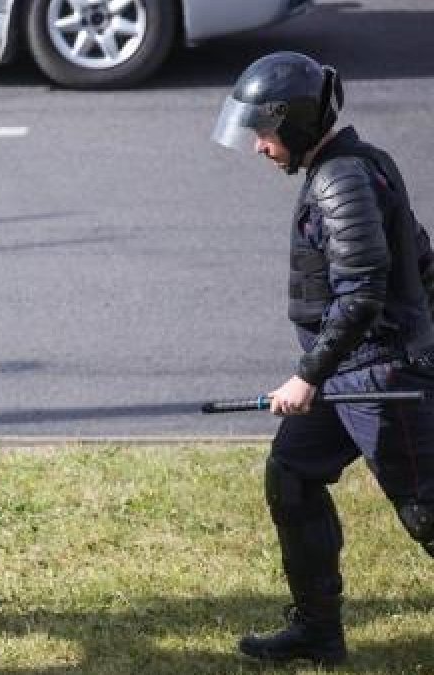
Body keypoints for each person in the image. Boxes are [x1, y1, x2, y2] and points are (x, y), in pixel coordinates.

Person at [212, 51, 434, 665]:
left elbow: (362, 293)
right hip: (349, 372)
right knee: (293, 474)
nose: (259, 145)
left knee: (426, 512)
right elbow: (420, 259)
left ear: (298, 121)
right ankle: (318, 633)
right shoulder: (357, 165)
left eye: (265, 131)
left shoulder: (341, 180)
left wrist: (306, 377)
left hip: (379, 374)